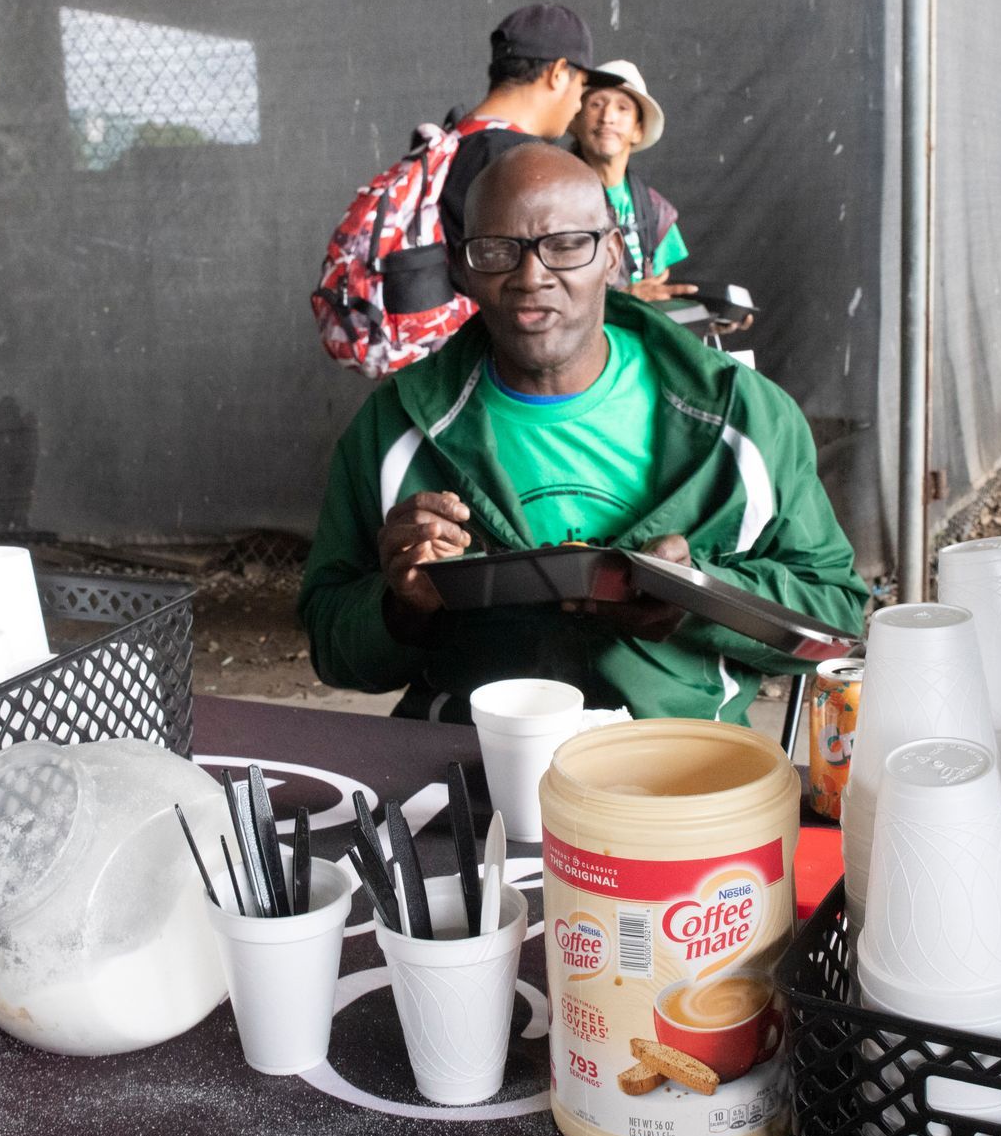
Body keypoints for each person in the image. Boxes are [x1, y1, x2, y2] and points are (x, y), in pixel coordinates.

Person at [297, 143, 867, 724]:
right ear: (462, 269)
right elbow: (334, 650)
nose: (531, 277)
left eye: (567, 245)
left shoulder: (741, 417)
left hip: (680, 765)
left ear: (613, 256)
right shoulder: (397, 427)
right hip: (469, 762)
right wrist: (402, 606)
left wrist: (698, 595)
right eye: (497, 250)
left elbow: (836, 620)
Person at [437, 3, 614, 248]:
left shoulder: (454, 138)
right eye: (582, 85)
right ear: (559, 73)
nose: (578, 104)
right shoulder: (519, 161)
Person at [566, 59, 695, 303]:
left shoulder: (656, 209)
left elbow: (657, 290)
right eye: (596, 104)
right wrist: (628, 297)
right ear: (576, 122)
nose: (607, 118)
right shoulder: (555, 198)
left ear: (638, 130)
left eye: (623, 108)